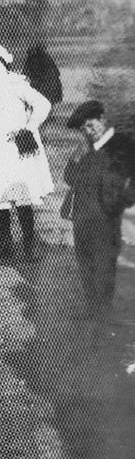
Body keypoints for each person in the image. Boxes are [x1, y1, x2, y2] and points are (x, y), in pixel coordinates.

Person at [0, 44, 53, 264]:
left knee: (22, 198)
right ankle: (5, 246)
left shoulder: (16, 85)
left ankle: (29, 246)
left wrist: (28, 127)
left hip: (16, 153)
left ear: (5, 65)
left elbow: (43, 104)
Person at [62, 100, 135, 320]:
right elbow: (70, 178)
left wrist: (121, 202)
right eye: (83, 128)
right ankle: (92, 311)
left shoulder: (123, 144)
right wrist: (75, 158)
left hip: (106, 218)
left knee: (104, 267)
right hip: (81, 217)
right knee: (85, 264)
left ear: (102, 119)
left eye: (90, 125)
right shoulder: (84, 149)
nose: (88, 131)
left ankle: (104, 316)